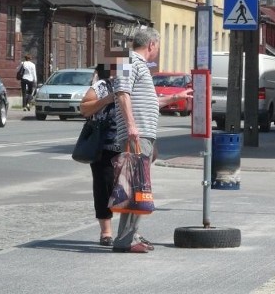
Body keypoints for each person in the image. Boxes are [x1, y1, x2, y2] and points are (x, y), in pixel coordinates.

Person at [111, 27, 193, 253]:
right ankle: (125, 240)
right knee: (134, 186)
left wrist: (174, 98)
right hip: (135, 134)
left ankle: (130, 235)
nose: (158, 50)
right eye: (158, 46)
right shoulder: (128, 60)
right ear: (151, 45)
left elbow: (148, 102)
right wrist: (131, 126)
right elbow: (122, 93)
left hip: (142, 134)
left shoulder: (139, 65)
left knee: (137, 186)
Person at [79, 62, 118, 247]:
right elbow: (84, 109)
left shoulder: (131, 85)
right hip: (104, 144)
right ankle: (106, 232)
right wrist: (107, 99)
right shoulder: (101, 87)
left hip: (126, 142)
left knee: (129, 188)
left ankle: (129, 230)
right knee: (104, 187)